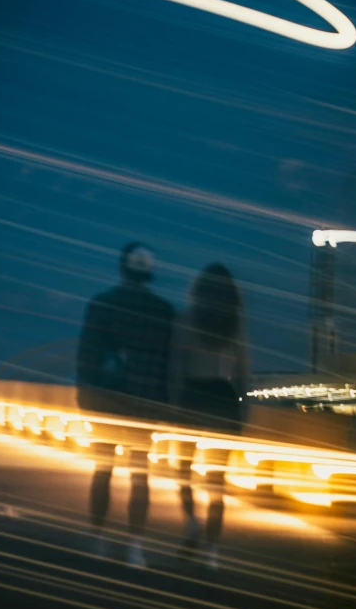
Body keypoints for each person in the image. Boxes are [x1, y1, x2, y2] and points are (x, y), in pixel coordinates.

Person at [77, 242, 174, 567]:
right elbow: (169, 363)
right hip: (145, 403)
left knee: (103, 470)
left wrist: (85, 395)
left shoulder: (102, 304)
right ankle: (135, 547)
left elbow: (87, 354)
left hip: (107, 398)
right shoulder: (164, 311)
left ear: (122, 268)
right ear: (150, 273)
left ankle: (99, 539)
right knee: (139, 475)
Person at [169, 263, 249, 569]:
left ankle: (192, 521)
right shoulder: (234, 323)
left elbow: (176, 366)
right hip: (222, 399)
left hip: (192, 395)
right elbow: (244, 370)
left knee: (182, 470)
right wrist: (243, 409)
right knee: (217, 482)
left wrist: (173, 404)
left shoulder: (185, 319)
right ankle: (212, 553)